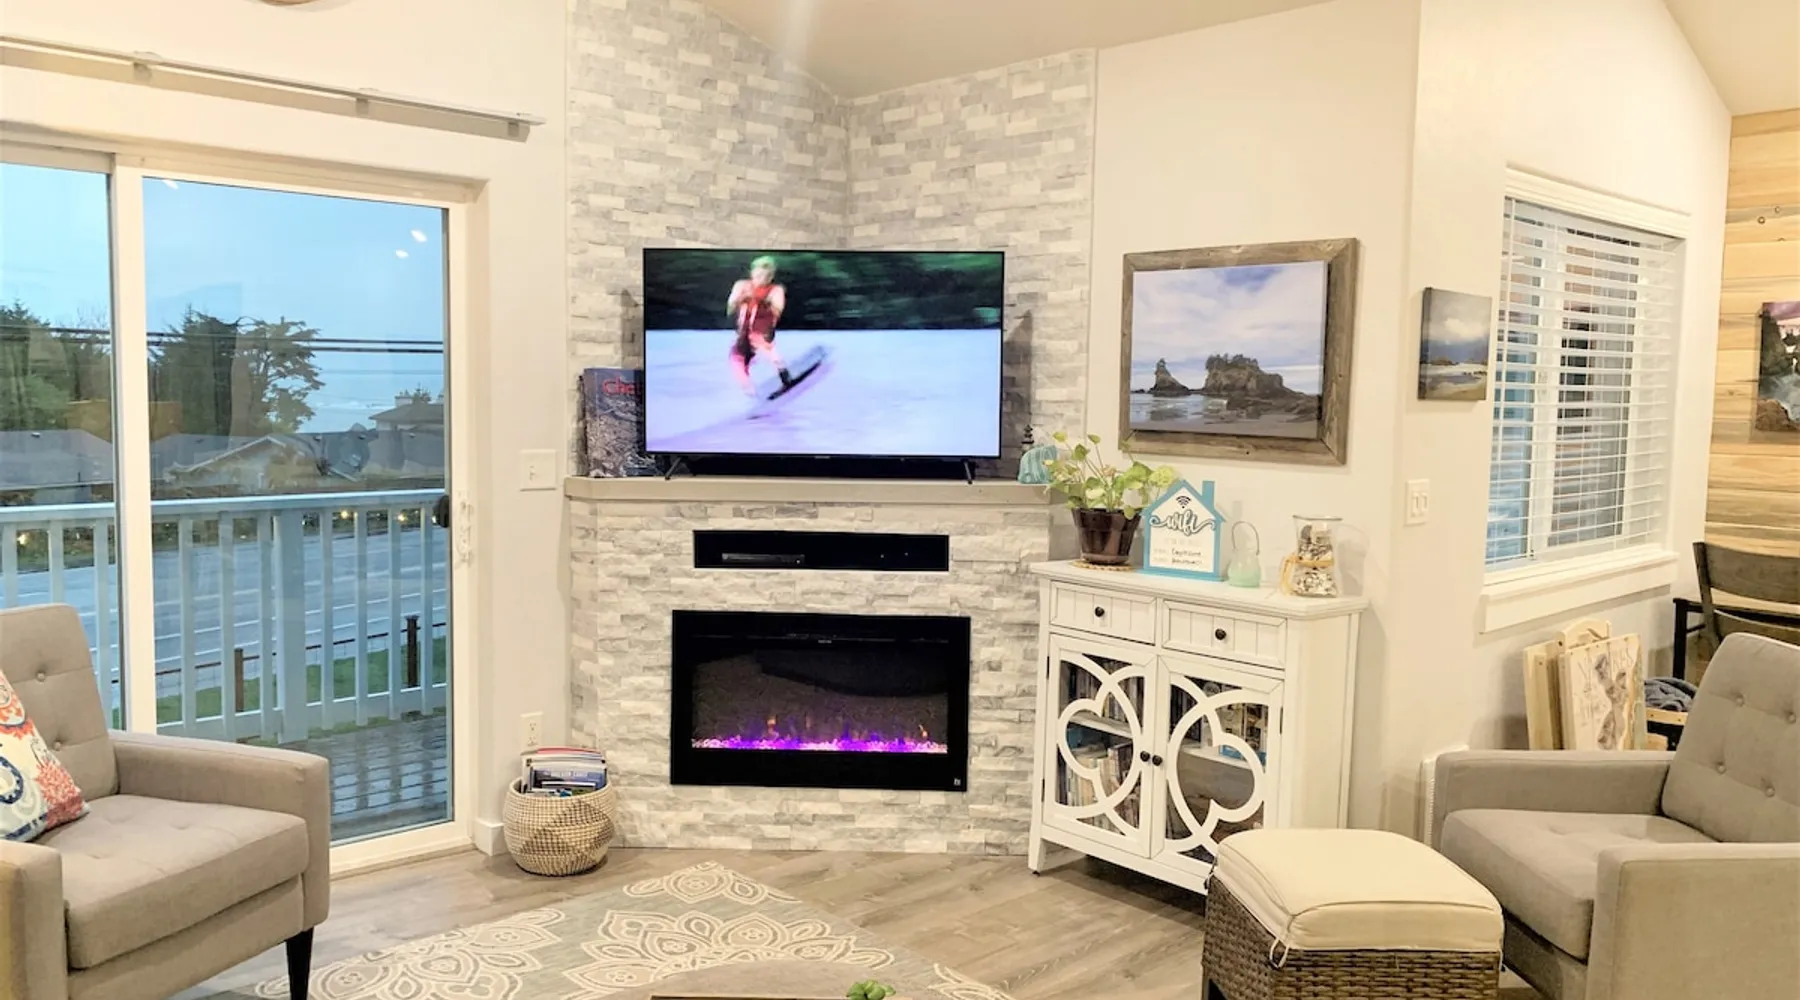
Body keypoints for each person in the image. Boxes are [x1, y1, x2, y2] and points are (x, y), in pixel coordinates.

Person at [727, 255, 792, 396]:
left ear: (771, 276)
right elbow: (730, 307)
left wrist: (761, 300)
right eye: (759, 275)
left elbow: (778, 308)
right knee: (736, 357)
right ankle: (747, 387)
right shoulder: (741, 286)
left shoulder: (776, 290)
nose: (762, 279)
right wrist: (739, 298)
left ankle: (784, 375)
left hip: (762, 330)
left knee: (765, 346)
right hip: (743, 332)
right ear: (752, 273)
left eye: (767, 276)